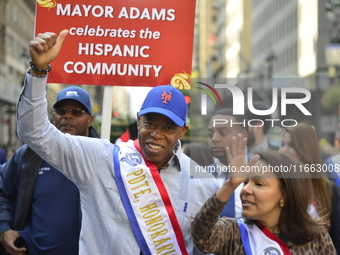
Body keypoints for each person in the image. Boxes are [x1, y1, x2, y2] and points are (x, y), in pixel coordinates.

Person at [16, 30, 219, 255]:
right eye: (150, 123)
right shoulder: (100, 158)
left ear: (183, 131)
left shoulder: (204, 184)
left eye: (169, 128)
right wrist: (38, 71)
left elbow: (204, 248)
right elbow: (34, 133)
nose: (156, 134)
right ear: (139, 119)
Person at [191, 134, 337, 254]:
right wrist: (230, 184)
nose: (246, 189)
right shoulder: (235, 232)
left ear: (284, 194)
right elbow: (201, 235)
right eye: (245, 182)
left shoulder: (314, 236)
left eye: (259, 184)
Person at [0, 86, 98, 255]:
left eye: (77, 111)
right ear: (54, 117)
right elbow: (3, 193)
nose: (68, 115)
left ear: (90, 119)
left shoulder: (104, 159)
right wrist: (4, 228)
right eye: (62, 111)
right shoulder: (29, 155)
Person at [279, 122, 340, 253]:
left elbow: (336, 239)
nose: (283, 150)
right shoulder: (276, 186)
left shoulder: (329, 189)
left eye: (291, 146)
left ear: (305, 149)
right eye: (282, 144)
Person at [207, 108, 248, 218]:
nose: (214, 139)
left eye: (223, 133)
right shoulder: (200, 176)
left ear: (244, 136)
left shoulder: (260, 175)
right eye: (210, 134)